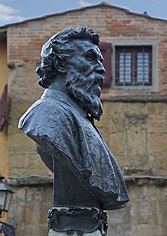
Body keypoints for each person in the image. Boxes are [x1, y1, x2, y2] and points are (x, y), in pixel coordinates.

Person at [18, 27, 129, 236]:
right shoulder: (46, 115)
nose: (101, 70)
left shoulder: (82, 119)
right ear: (61, 64)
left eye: (100, 60)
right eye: (90, 58)